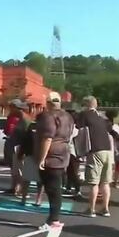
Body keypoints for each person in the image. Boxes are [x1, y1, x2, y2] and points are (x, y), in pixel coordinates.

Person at [36, 92, 74, 230]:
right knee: (56, 187)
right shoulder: (68, 116)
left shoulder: (49, 117)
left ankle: (53, 220)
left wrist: (42, 158)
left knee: (52, 189)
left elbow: (48, 138)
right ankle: (54, 219)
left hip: (51, 156)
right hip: (63, 154)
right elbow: (71, 134)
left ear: (48, 103)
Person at [77, 96, 115, 218]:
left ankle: (91, 209)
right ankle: (105, 209)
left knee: (94, 182)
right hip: (108, 150)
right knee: (105, 182)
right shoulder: (101, 118)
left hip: (95, 150)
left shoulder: (85, 115)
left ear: (87, 104)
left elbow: (77, 128)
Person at [19, 122, 45, 206]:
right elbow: (24, 144)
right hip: (36, 157)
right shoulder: (43, 130)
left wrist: (20, 154)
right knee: (38, 180)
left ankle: (25, 198)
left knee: (28, 179)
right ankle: (37, 199)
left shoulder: (31, 130)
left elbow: (23, 144)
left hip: (33, 156)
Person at [3, 99, 23, 195]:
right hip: (10, 142)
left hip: (18, 144)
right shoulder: (10, 117)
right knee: (12, 166)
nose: (10, 108)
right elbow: (6, 130)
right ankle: (13, 186)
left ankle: (19, 188)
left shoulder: (21, 118)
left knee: (18, 167)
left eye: (12, 107)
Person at [105, 109, 119, 189]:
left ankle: (112, 180)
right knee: (117, 164)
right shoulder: (111, 125)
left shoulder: (107, 122)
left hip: (111, 145)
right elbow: (114, 135)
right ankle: (115, 181)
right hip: (114, 146)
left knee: (112, 165)